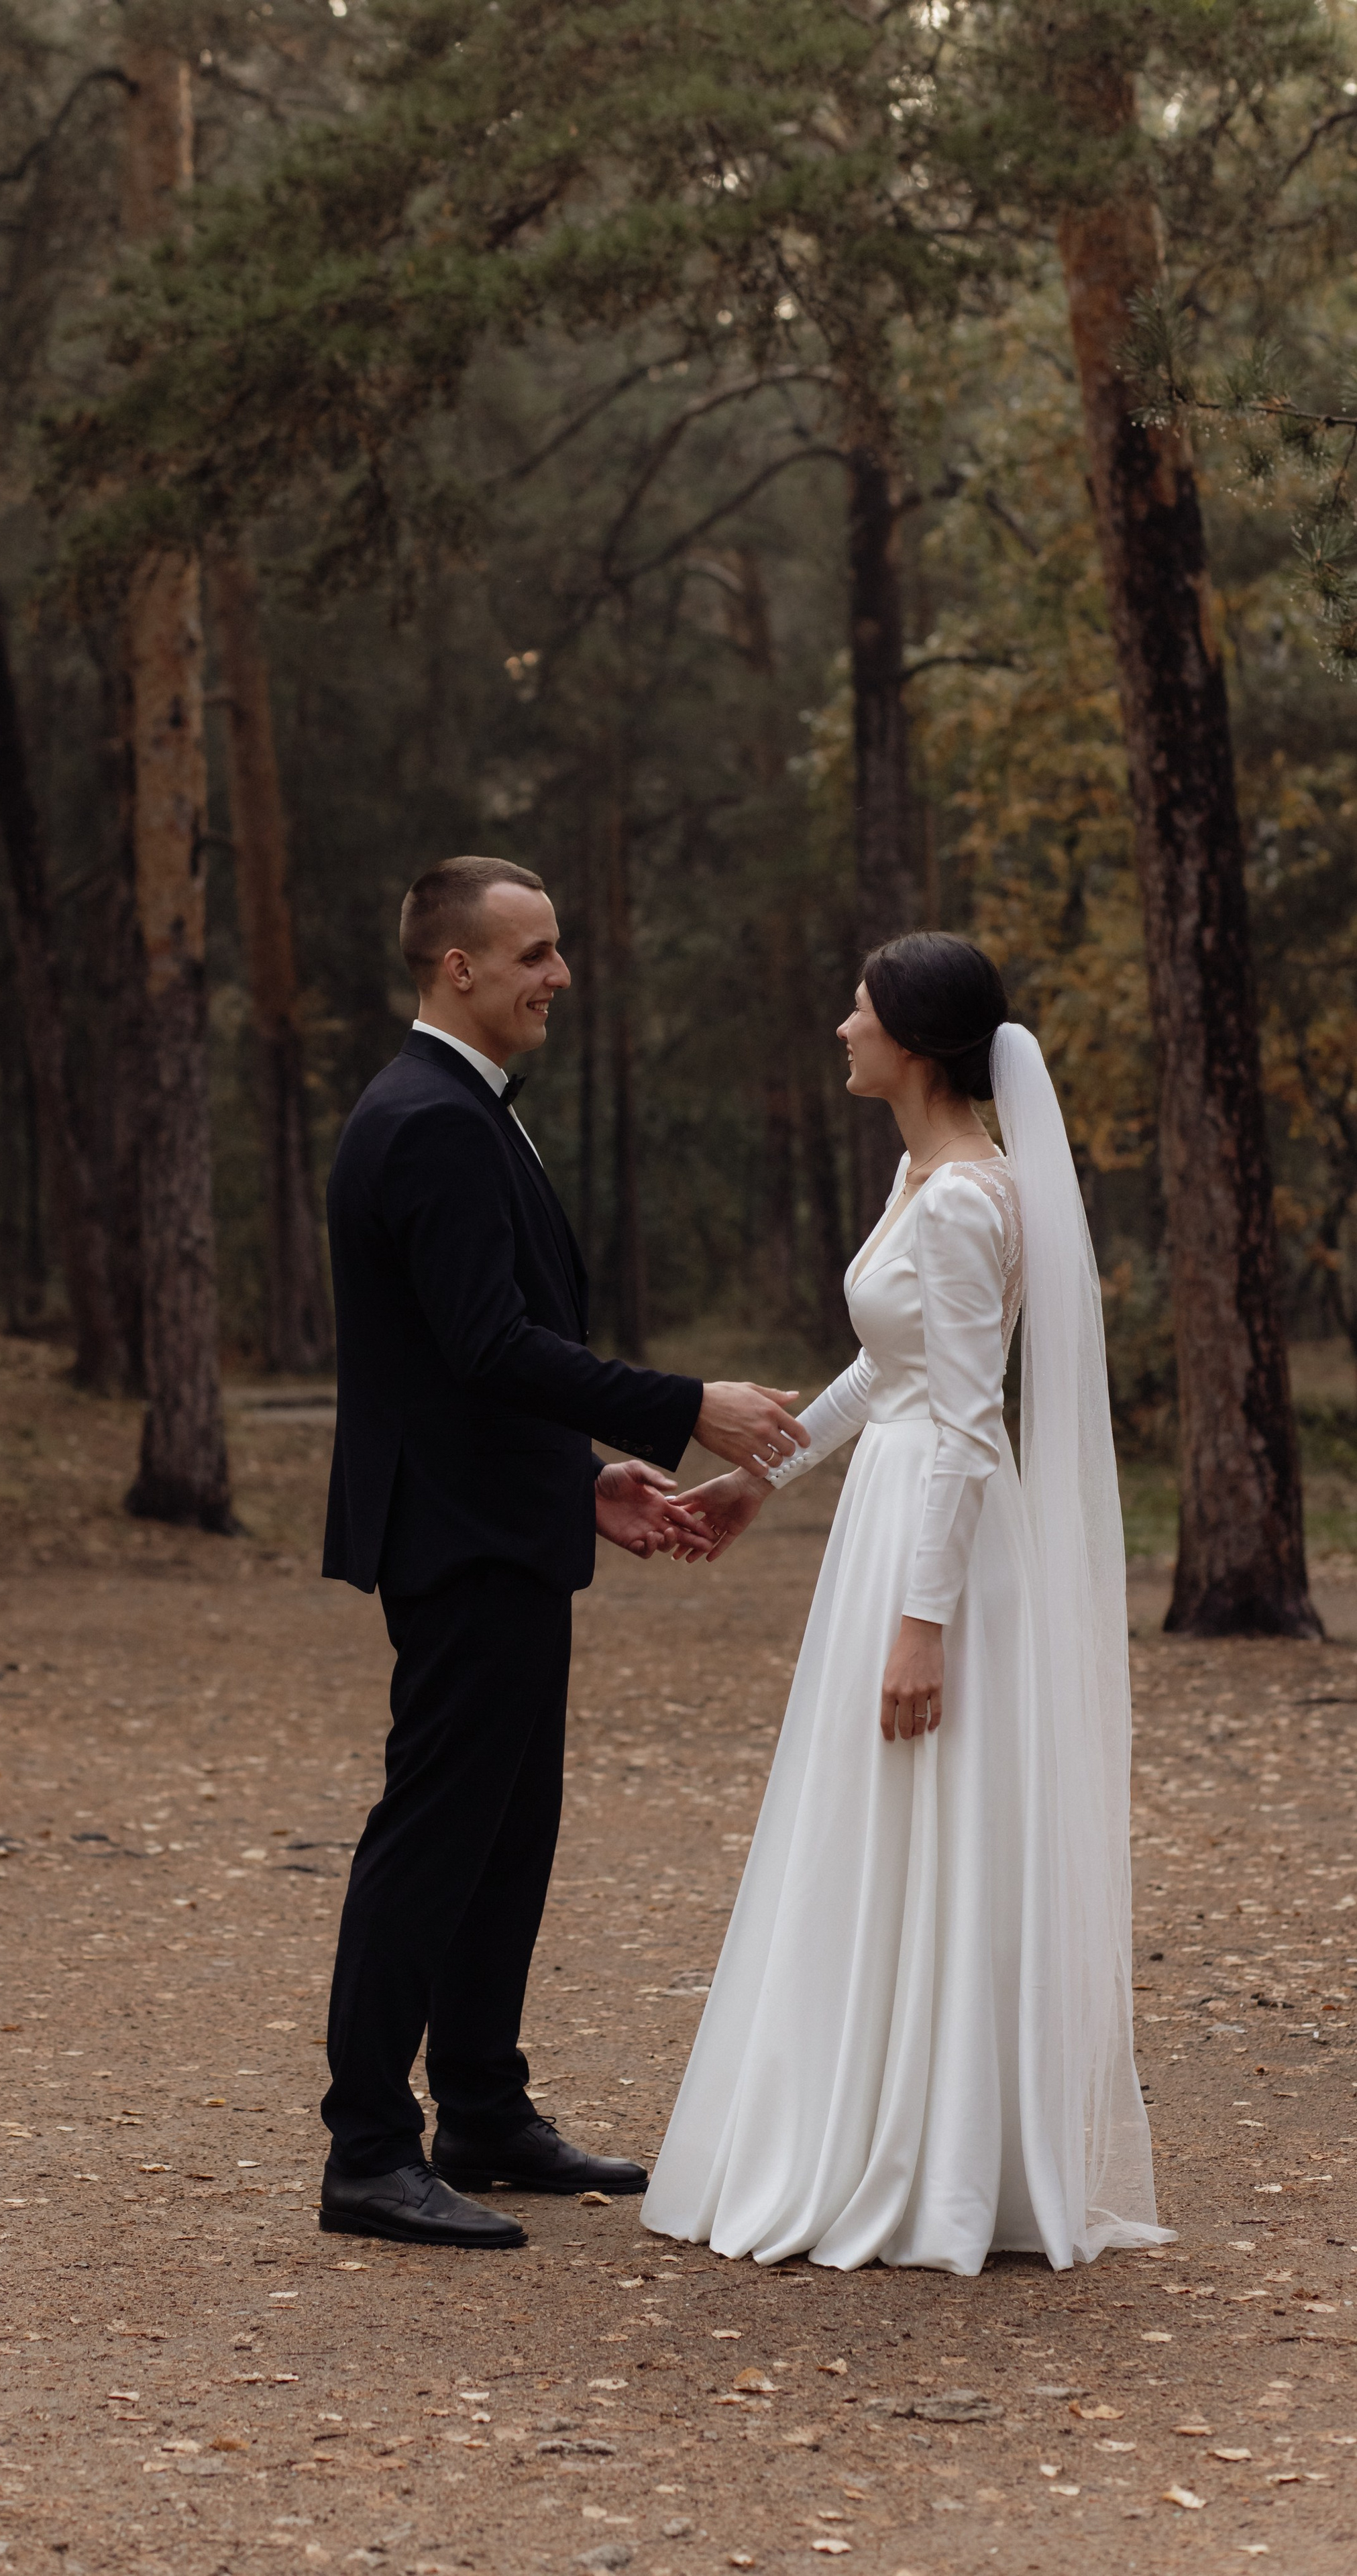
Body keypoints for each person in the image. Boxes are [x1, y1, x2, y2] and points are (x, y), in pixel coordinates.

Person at [646, 932, 1169, 2275]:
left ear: (916, 1047)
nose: (839, 1026)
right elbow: (890, 1370)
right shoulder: (919, 1173)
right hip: (889, 1513)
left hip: (931, 1537)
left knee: (922, 1808)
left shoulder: (956, 1200)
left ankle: (928, 2154)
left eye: (859, 1010)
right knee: (878, 1821)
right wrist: (761, 1477)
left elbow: (961, 1423)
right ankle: (885, 2109)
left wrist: (921, 1621)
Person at [318, 854, 808, 2250]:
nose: (559, 976)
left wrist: (586, 1476)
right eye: (531, 954)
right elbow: (485, 1345)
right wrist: (681, 1406)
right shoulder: (426, 1119)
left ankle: (479, 2106)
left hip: (502, 1519)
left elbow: (455, 1365)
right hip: (457, 1541)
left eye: (557, 948)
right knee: (434, 1834)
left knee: (504, 1833)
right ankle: (366, 2148)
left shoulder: (463, 1110)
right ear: (453, 968)